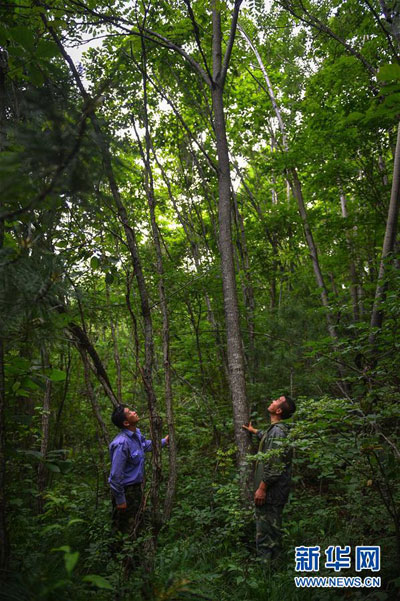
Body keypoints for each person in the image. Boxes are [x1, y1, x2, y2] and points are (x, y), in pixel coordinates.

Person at [243, 394, 296, 562]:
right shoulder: (274, 431)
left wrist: (262, 488)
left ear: (278, 410)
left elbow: (275, 465)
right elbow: (268, 439)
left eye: (276, 401)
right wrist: (255, 432)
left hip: (271, 493)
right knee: (269, 530)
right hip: (273, 492)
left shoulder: (278, 432)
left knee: (267, 534)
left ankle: (268, 573)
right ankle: (272, 568)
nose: (272, 401)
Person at [109, 405, 169, 538]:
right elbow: (115, 476)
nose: (134, 412)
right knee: (123, 530)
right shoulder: (121, 443)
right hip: (125, 491)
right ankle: (118, 556)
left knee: (136, 524)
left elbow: (145, 446)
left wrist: (164, 442)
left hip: (136, 489)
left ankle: (134, 554)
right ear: (126, 423)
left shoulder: (136, 435)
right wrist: (120, 500)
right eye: (130, 412)